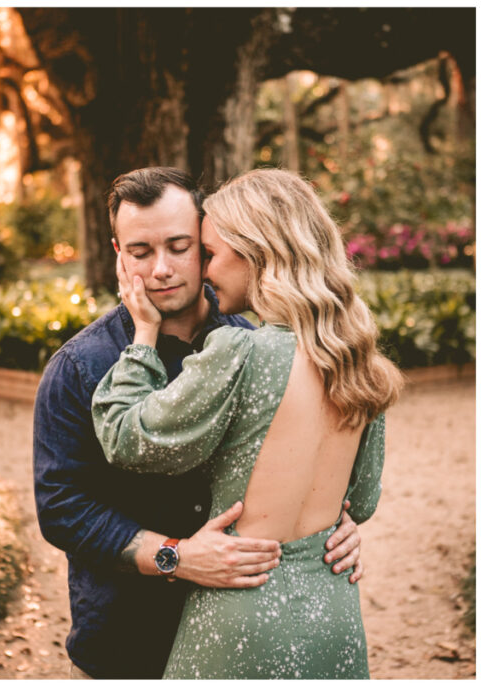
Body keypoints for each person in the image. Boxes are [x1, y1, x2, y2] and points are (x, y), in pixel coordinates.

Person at [32, 167, 365, 679]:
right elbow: (62, 508)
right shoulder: (79, 366)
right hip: (129, 637)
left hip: (243, 637)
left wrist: (332, 526)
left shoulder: (251, 343)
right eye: (140, 252)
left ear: (209, 242)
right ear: (118, 254)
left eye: (180, 246)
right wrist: (175, 556)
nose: (162, 269)